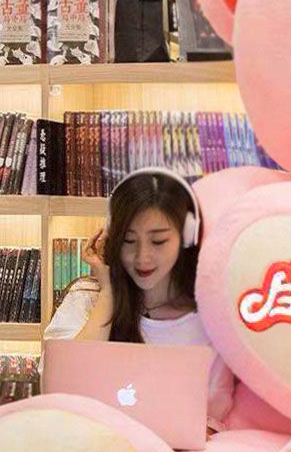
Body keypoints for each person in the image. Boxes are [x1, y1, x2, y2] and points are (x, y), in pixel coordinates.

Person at [43, 167, 234, 432]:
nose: (142, 257)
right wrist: (108, 293)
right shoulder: (85, 299)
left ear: (187, 238)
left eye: (158, 241)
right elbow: (59, 390)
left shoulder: (209, 319)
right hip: (92, 447)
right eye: (129, 241)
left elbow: (214, 418)